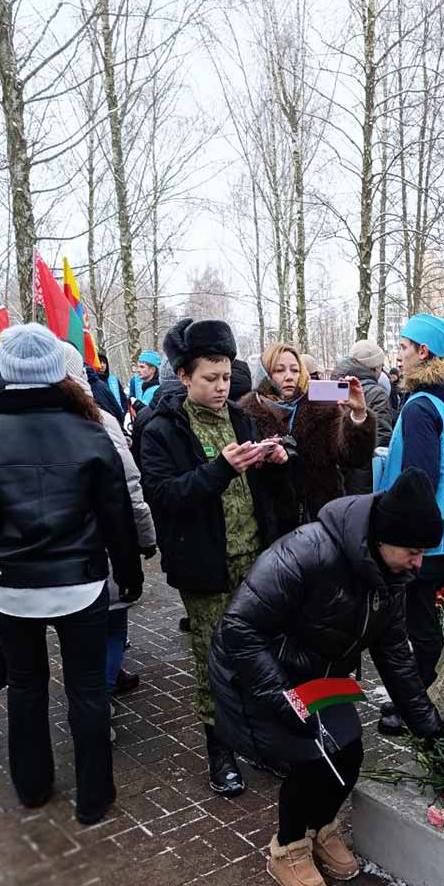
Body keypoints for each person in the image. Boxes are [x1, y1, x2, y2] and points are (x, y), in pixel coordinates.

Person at [209, 468, 444, 886]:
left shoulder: (392, 577)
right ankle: (288, 846)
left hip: (320, 676)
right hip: (261, 673)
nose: (419, 564)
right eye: (413, 552)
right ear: (381, 538)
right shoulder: (306, 551)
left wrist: (428, 724)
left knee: (349, 751)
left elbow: (394, 655)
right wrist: (284, 699)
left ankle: (320, 827)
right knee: (312, 758)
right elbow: (238, 627)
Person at [0, 324, 142, 823]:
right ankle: (95, 797)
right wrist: (130, 574)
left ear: (7, 371)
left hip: (12, 588)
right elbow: (117, 517)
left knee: (26, 685)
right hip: (81, 585)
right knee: (86, 690)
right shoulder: (89, 428)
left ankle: (33, 788)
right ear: (57, 369)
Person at [140, 318, 292, 795]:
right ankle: (220, 750)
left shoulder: (244, 418)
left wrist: (276, 463)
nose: (221, 387)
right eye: (210, 377)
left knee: (261, 656)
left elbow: (271, 493)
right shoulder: (162, 429)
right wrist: (220, 469)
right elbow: (165, 496)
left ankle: (261, 740)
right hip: (206, 566)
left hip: (255, 560)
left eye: (226, 376)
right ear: (184, 376)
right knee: (214, 660)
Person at [376, 314, 444, 735]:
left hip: (420, 536)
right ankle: (426, 698)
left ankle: (420, 705)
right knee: (426, 619)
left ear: (423, 351)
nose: (399, 354)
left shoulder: (420, 406)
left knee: (414, 625)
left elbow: (420, 478)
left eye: (403, 346)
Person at [59, 342, 156, 699]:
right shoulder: (99, 419)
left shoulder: (11, 423)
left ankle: (90, 691)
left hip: (51, 558)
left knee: (76, 635)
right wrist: (146, 538)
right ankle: (99, 699)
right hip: (101, 546)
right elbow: (130, 484)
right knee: (112, 625)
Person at [239, 341, 376, 524]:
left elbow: (353, 457)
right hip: (271, 523)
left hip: (322, 518)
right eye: (279, 370)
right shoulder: (245, 414)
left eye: (295, 370)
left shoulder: (322, 406)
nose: (289, 377)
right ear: (265, 374)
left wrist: (358, 414)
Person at [332, 339, 393, 494]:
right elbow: (382, 436)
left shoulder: (336, 386)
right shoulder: (376, 393)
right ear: (374, 368)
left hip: (338, 475)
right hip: (365, 477)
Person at [98, 352, 128, 416]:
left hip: (118, 416)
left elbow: (123, 398)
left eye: (104, 363)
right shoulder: (93, 381)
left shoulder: (113, 380)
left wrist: (123, 412)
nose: (102, 365)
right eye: (100, 362)